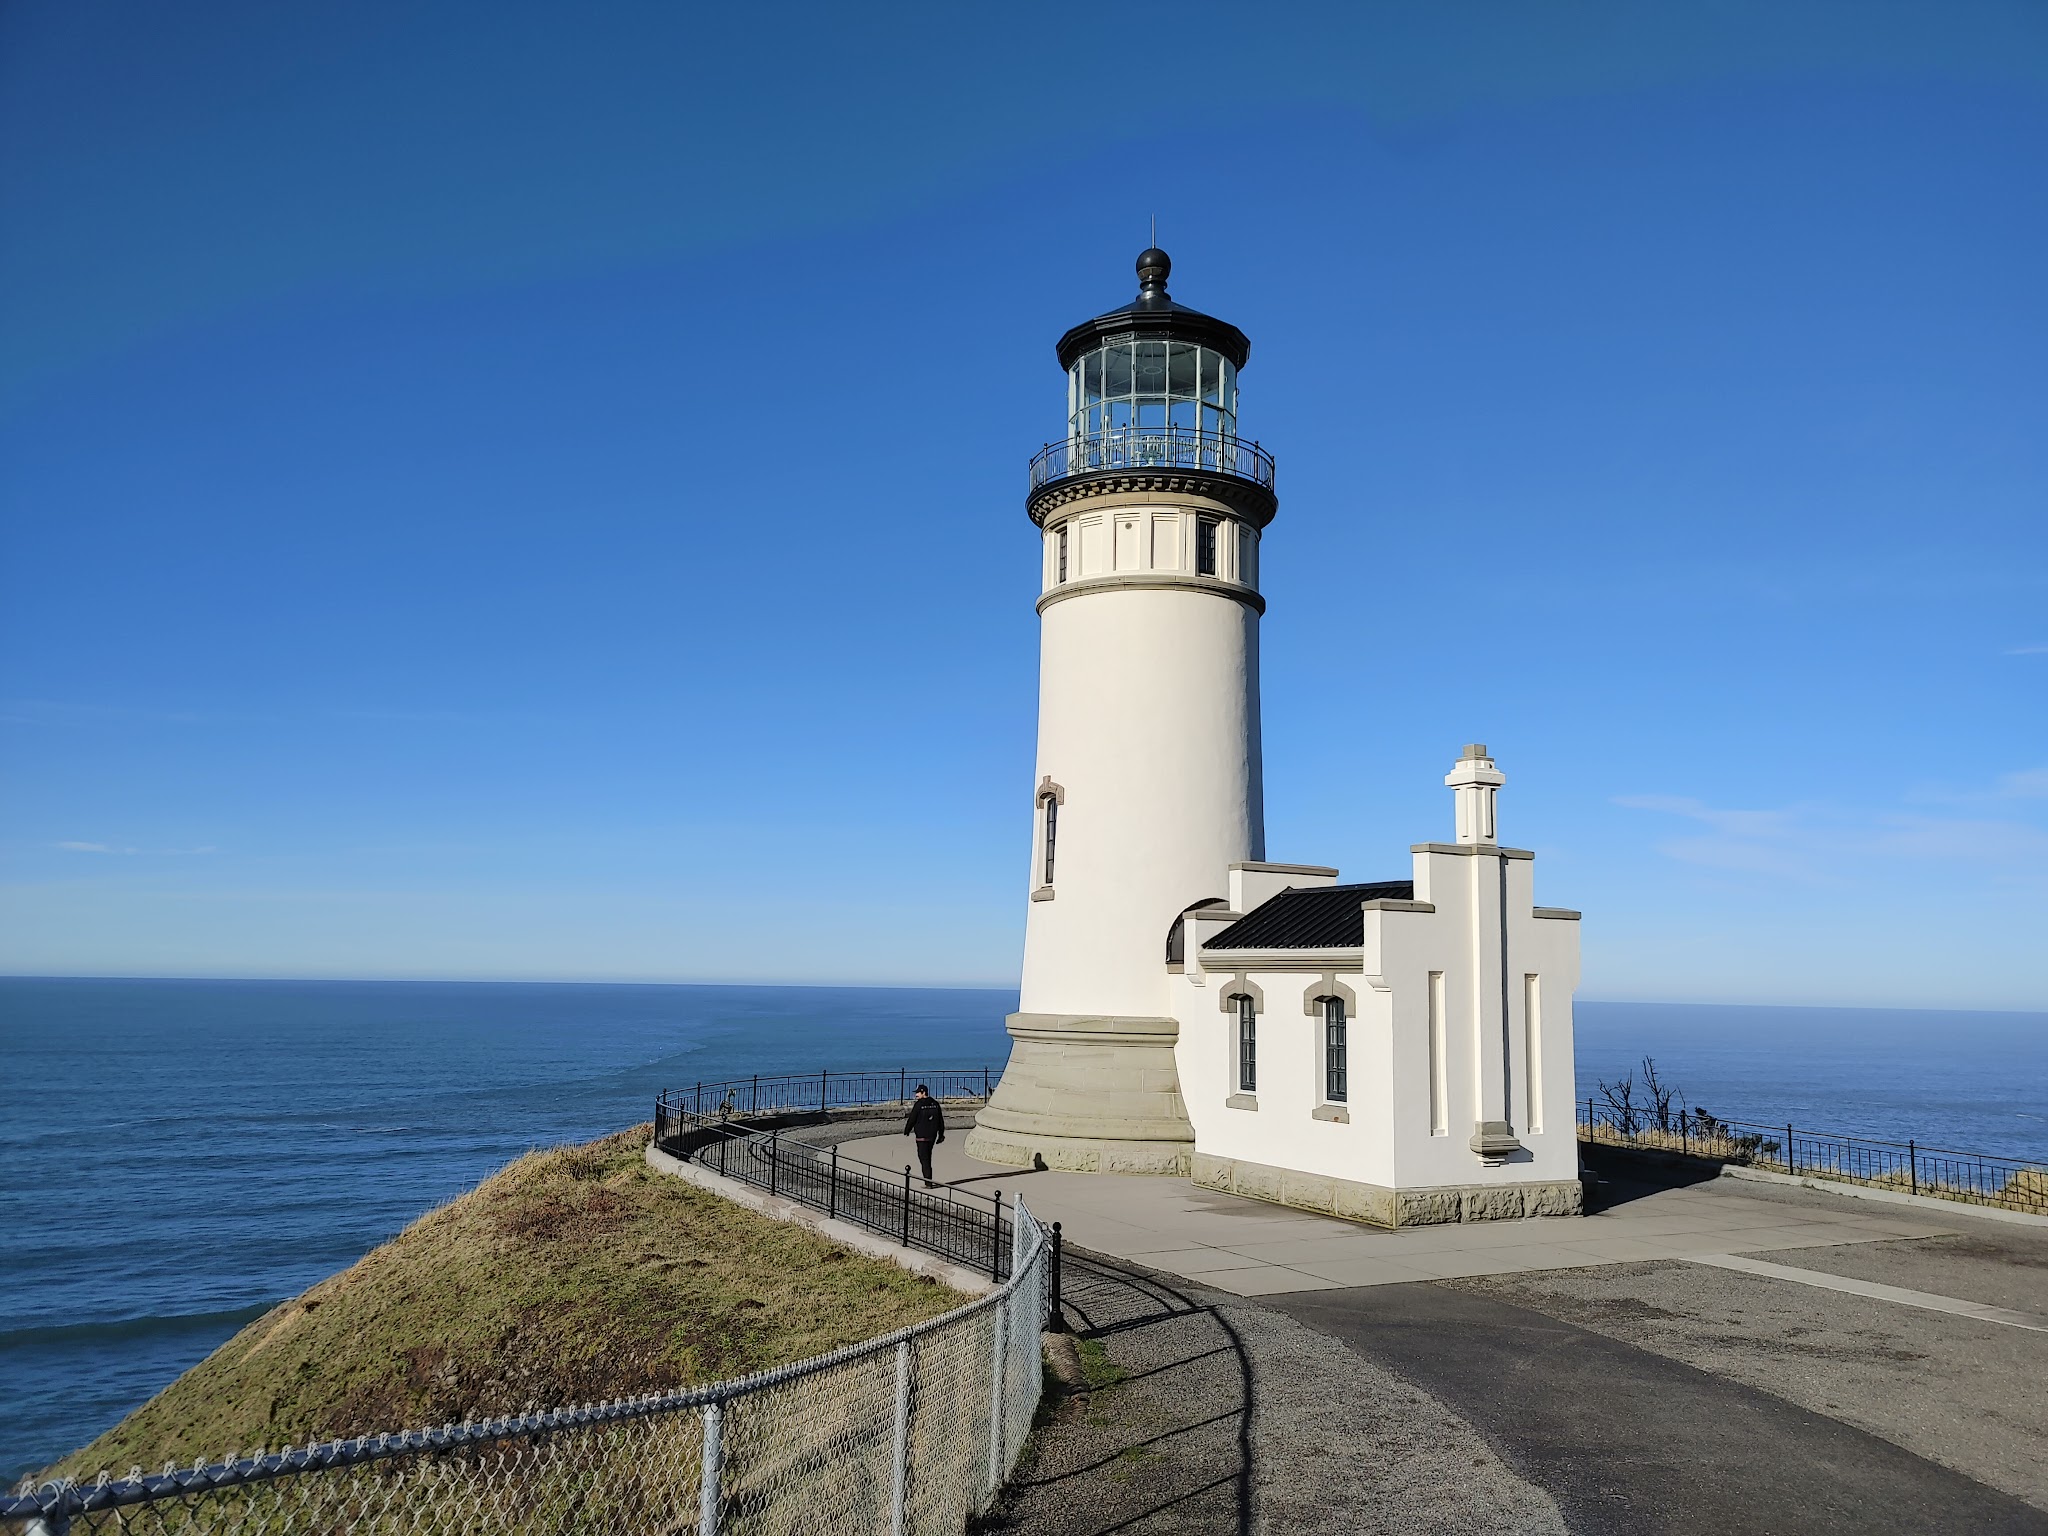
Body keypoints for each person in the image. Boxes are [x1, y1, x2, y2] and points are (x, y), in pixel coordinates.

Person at [903, 1083, 945, 1187]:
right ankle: (928, 1179)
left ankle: (928, 1182)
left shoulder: (919, 1105)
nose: (916, 1095)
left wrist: (907, 1130)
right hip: (932, 1136)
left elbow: (912, 1119)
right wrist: (941, 1134)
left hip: (922, 1136)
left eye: (918, 1093)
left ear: (923, 1092)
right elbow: (940, 1121)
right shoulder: (935, 1104)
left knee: (923, 1157)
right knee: (927, 1156)